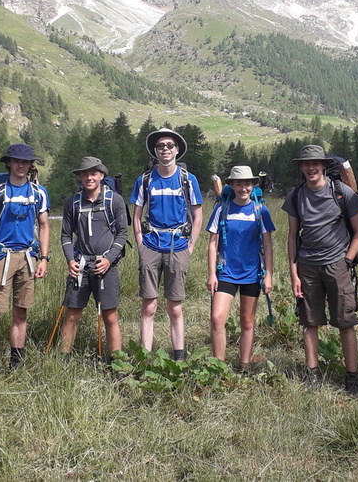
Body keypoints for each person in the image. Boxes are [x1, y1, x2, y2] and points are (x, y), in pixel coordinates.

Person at [282, 147, 358, 392]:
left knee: (345, 322)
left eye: (315, 163)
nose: (311, 168)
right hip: (307, 266)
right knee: (309, 321)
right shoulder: (296, 196)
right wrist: (294, 273)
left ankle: (352, 377)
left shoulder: (342, 192)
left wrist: (347, 260)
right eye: (306, 164)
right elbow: (292, 237)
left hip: (337, 264)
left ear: (324, 165)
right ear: (301, 167)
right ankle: (312, 374)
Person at [0, 143, 50, 368]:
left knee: (21, 313)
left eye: (25, 162)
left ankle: (16, 364)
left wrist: (44, 258)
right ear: (8, 163)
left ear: (30, 165)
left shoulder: (38, 192)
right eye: (16, 161)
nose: (20, 165)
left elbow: (44, 225)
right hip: (0, 258)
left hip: (28, 258)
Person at [130, 128, 203, 360]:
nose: (165, 149)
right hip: (151, 245)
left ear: (177, 150)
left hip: (178, 247)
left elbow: (198, 215)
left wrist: (190, 246)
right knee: (148, 306)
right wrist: (141, 245)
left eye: (170, 145)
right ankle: (145, 358)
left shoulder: (188, 179)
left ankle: (179, 357)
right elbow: (136, 214)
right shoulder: (145, 180)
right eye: (161, 146)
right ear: (155, 150)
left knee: (174, 307)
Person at [207, 166, 275, 372]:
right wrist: (211, 274)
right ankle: (218, 366)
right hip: (226, 272)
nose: (243, 188)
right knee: (217, 318)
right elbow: (212, 243)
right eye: (239, 184)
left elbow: (268, 245)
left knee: (247, 321)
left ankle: (244, 366)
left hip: (252, 274)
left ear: (253, 185)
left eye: (247, 184)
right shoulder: (222, 209)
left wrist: (268, 275)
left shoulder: (260, 210)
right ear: (232, 185)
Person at [58, 156, 128, 356]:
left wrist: (109, 259)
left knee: (110, 316)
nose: (89, 177)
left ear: (101, 175)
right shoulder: (73, 203)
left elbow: (123, 233)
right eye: (85, 174)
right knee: (72, 315)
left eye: (93, 173)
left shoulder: (114, 200)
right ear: (80, 177)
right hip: (80, 266)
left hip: (106, 266)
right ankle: (63, 359)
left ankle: (116, 363)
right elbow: (65, 235)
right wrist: (70, 260)